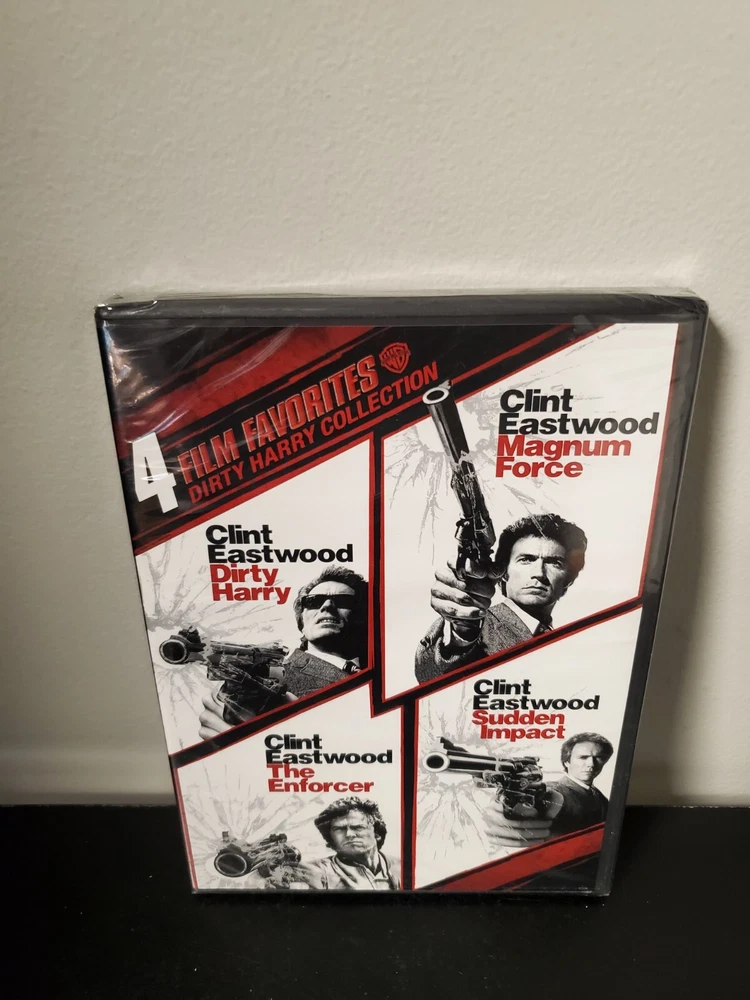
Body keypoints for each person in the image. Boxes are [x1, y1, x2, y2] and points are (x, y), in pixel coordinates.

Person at [199, 566, 368, 740]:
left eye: (343, 601)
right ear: (302, 622)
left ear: (364, 616)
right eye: (314, 601)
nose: (327, 606)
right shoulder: (267, 676)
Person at [415, 513, 587, 682]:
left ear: (569, 580)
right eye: (526, 560)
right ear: (502, 572)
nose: (539, 573)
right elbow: (430, 672)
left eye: (554, 563)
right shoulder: (478, 624)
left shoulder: (565, 645)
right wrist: (461, 633)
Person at [484, 733, 614, 850]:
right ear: (566, 762)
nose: (591, 764)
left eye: (598, 757)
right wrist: (505, 807)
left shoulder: (598, 795)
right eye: (583, 757)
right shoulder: (557, 791)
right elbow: (545, 797)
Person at [296, 797, 400, 891]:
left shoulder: (403, 867)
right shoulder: (313, 872)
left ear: (377, 833)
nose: (349, 834)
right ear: (330, 838)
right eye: (339, 829)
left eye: (357, 827)